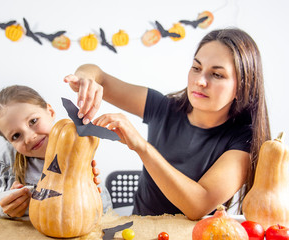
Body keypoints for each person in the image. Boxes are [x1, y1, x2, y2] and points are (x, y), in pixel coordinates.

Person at [63, 28, 271, 220]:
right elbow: (98, 75)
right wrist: (85, 79)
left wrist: (141, 147)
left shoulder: (243, 140)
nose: (200, 80)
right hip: (141, 231)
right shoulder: (162, 107)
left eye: (217, 74)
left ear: (243, 85)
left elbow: (198, 204)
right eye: (196, 68)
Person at [0, 85, 112, 218]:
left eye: (33, 121)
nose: (29, 137)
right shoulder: (6, 161)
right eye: (16, 136)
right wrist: (1, 208)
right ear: (9, 142)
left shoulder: (76, 145)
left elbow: (104, 211)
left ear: (50, 112)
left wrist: (91, 192)